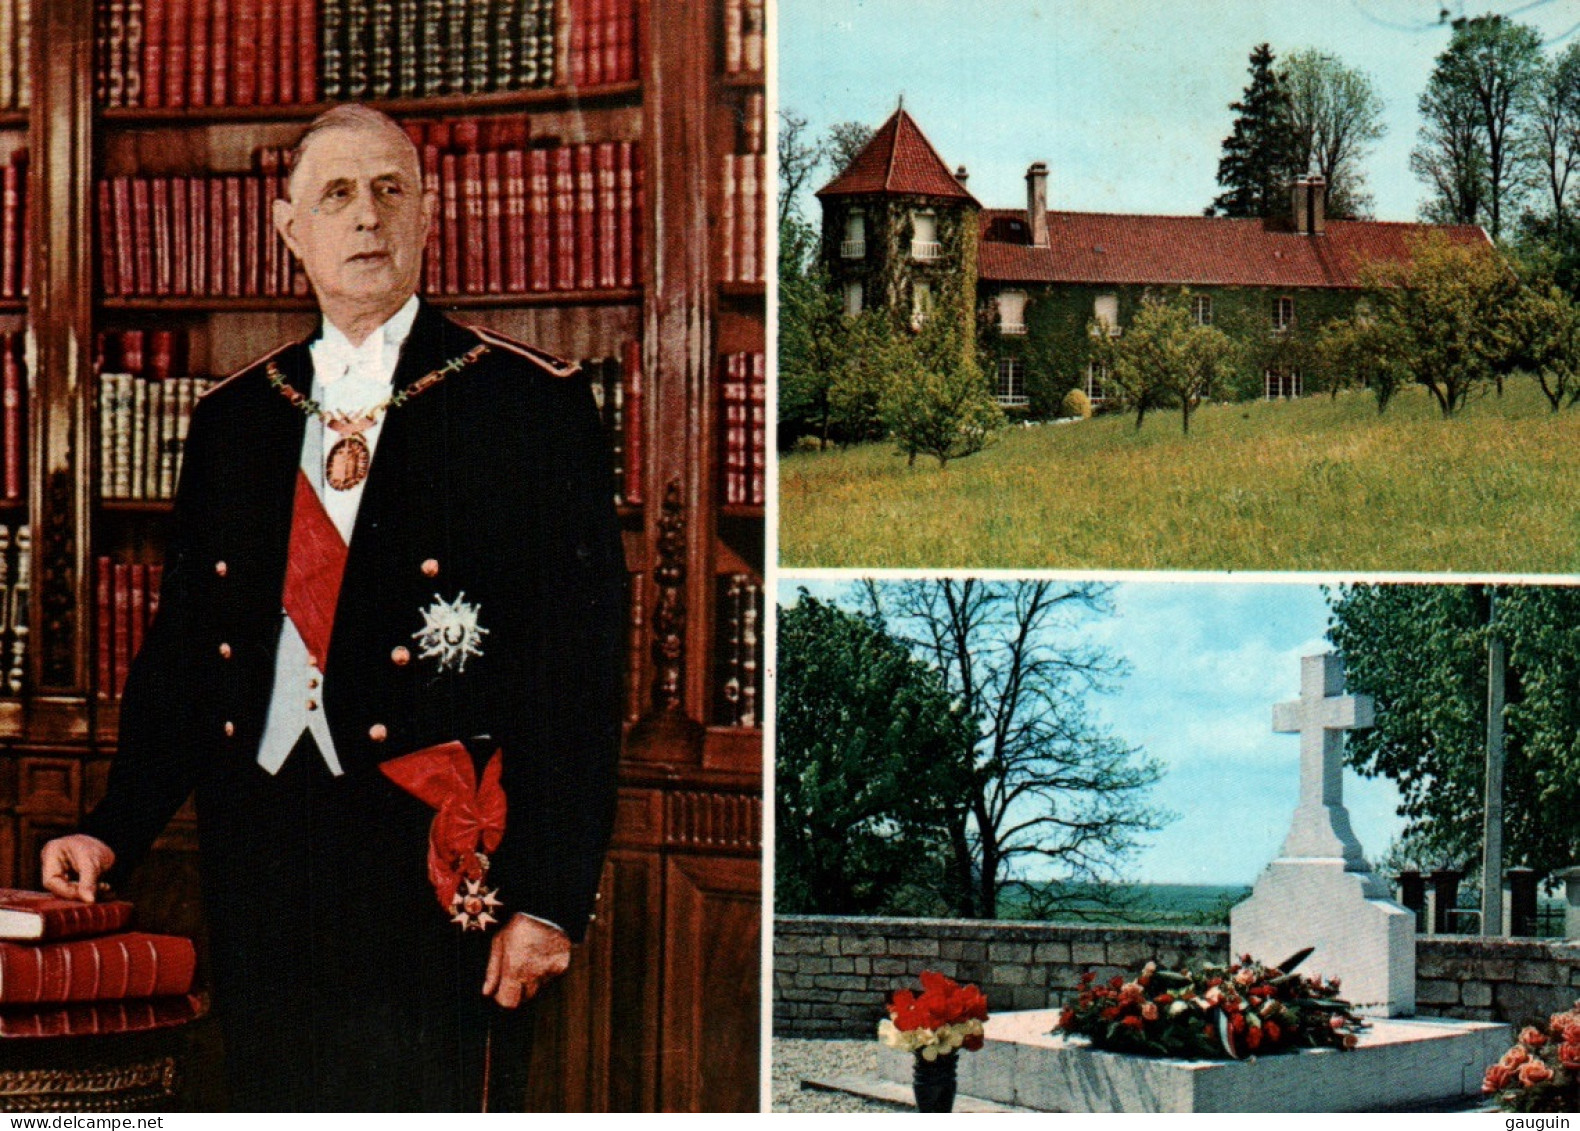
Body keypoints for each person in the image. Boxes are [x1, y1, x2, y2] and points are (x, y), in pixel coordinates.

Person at [38, 105, 626, 1111]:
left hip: (427, 862)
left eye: (390, 190)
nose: (367, 219)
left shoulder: (527, 408)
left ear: (430, 214)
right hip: (260, 849)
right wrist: (111, 830)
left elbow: (579, 675)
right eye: (338, 195)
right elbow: (187, 652)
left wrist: (552, 896)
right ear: (287, 227)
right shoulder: (236, 418)